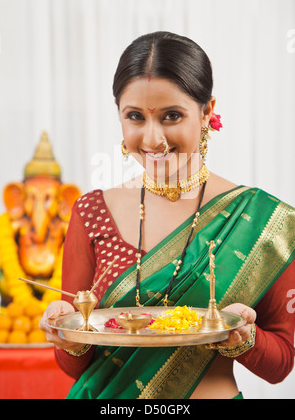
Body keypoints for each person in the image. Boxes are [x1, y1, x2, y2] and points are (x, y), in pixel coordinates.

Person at [39, 31, 295, 399]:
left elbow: (281, 364)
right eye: (135, 117)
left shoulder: (264, 221)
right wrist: (66, 334)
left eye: (172, 115)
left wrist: (244, 337)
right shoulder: (92, 213)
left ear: (207, 112)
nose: (152, 138)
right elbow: (74, 366)